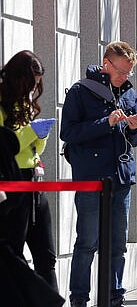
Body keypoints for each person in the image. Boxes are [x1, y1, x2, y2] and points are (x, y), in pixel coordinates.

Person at [61, 41, 137, 307]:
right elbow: (69, 133)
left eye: (129, 73)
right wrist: (105, 123)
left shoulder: (128, 93)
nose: (124, 78)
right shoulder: (80, 91)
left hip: (120, 177)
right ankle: (79, 299)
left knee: (118, 244)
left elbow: (136, 139)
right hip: (90, 178)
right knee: (87, 242)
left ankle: (114, 296)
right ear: (105, 64)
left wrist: (134, 128)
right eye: (120, 72)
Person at [0, 50, 60, 292]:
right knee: (13, 251)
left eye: (36, 85)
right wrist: (32, 133)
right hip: (14, 183)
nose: (33, 91)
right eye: (30, 84)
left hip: (35, 180)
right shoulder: (3, 105)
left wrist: (41, 135)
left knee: (47, 255)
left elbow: (33, 148)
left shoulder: (24, 102)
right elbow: (7, 146)